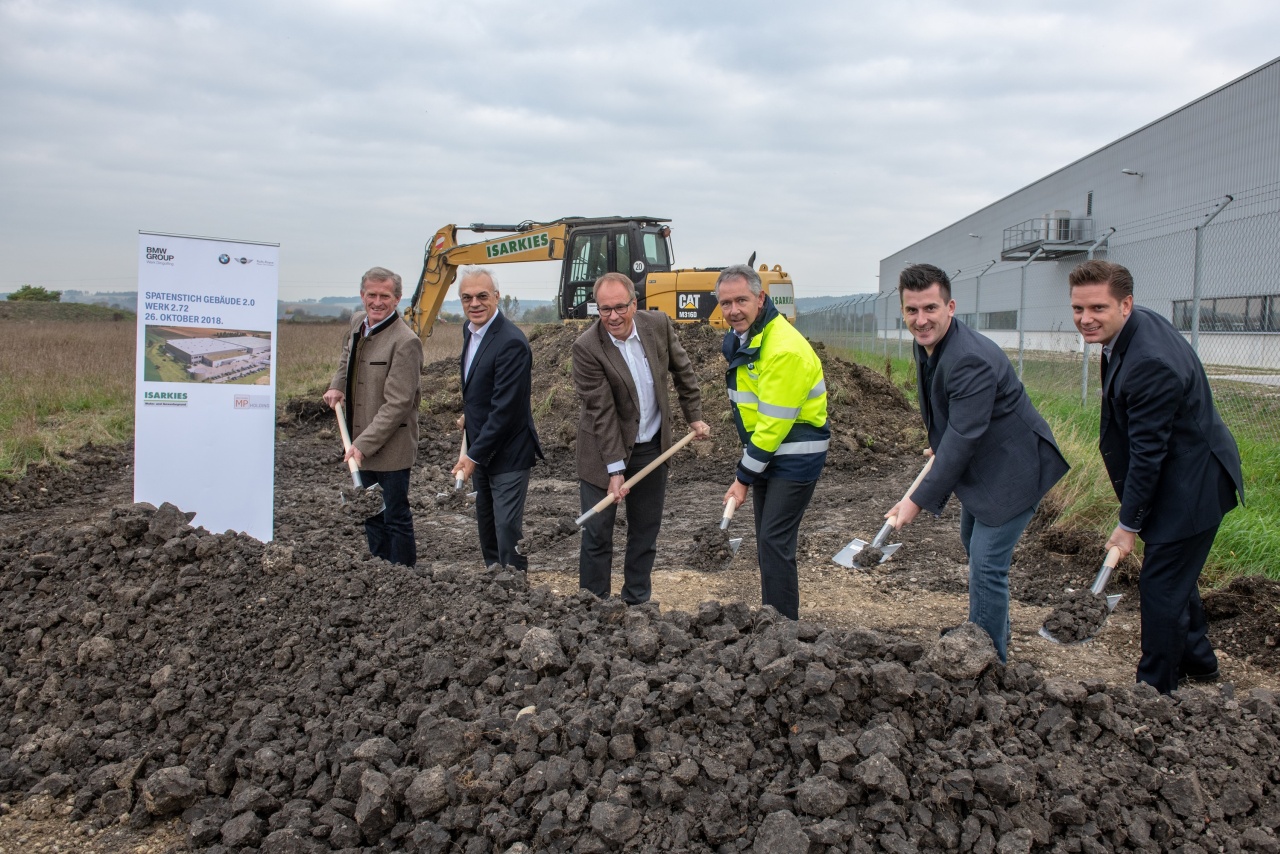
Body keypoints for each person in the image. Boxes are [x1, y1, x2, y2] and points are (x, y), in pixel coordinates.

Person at [1069, 259, 1243, 693]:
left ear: (1125, 304)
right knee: (1175, 576)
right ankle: (1200, 662)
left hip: (1192, 486)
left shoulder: (1149, 362)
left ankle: (1155, 688)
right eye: (1077, 309)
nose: (1086, 319)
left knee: (1161, 586)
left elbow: (1149, 455)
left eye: (1098, 309)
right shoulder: (1133, 327)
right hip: (1181, 473)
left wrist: (1128, 525)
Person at [886, 263, 1068, 663]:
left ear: (950, 306)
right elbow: (959, 420)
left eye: (930, 308)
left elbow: (966, 436)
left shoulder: (970, 357)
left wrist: (915, 500)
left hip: (1013, 469)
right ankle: (984, 631)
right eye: (912, 310)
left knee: (987, 564)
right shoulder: (931, 345)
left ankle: (990, 660)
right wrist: (942, 443)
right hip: (988, 462)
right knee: (974, 545)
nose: (921, 319)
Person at [572, 272, 711, 604]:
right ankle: (592, 608)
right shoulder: (587, 348)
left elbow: (683, 370)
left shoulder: (657, 325)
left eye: (620, 307)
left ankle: (636, 602)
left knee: (645, 533)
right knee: (597, 534)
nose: (613, 316)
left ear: (634, 303)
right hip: (601, 453)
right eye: (604, 309)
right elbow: (601, 411)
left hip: (651, 449)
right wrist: (615, 470)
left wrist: (694, 415)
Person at [717, 264, 828, 620]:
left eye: (741, 300)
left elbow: (771, 427)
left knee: (774, 542)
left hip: (794, 456)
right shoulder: (750, 337)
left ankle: (783, 629)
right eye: (725, 303)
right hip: (769, 455)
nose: (733, 310)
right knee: (768, 541)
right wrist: (750, 470)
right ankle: (772, 619)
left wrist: (742, 478)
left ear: (761, 298)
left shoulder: (783, 349)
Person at [323, 266, 424, 567]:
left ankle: (404, 577)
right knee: (370, 513)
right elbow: (347, 355)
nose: (377, 302)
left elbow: (398, 404)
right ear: (362, 295)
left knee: (394, 515)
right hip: (359, 437)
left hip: (391, 446)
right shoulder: (358, 323)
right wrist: (337, 385)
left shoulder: (405, 342)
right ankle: (380, 573)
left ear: (397, 299)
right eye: (371, 295)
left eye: (385, 296)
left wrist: (363, 445)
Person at [451, 268, 542, 572]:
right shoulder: (470, 330)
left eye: (482, 296)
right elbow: (484, 388)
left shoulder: (511, 342)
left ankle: (515, 589)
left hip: (509, 452)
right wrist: (471, 415)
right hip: (482, 445)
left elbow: (505, 409)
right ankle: (494, 584)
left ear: (497, 297)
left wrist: (472, 456)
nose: (474, 303)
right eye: (467, 297)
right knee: (487, 524)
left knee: (506, 528)